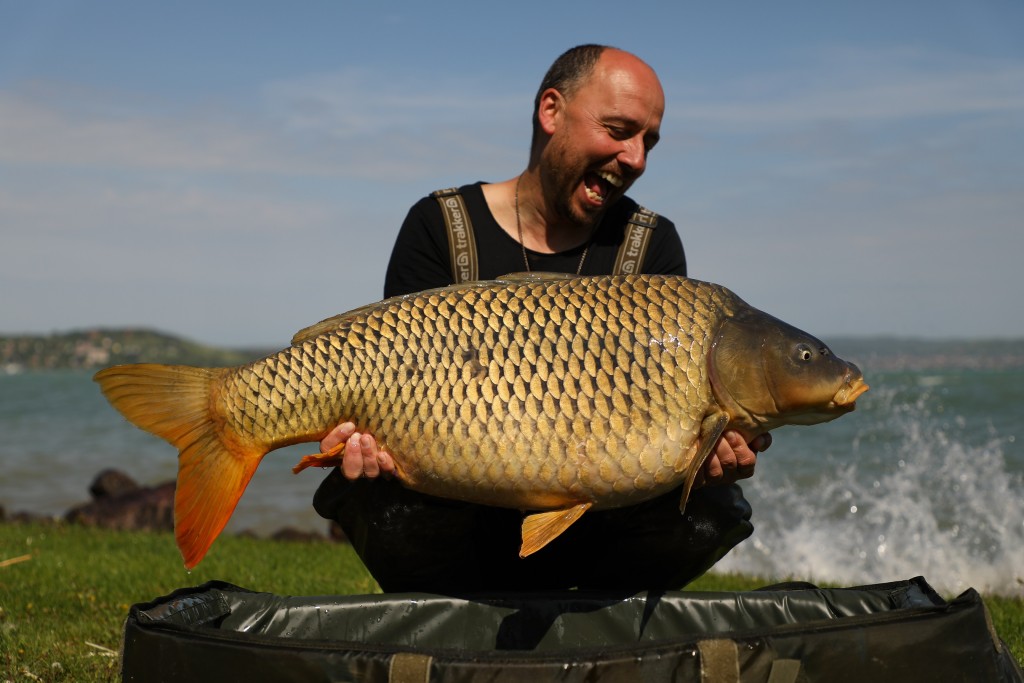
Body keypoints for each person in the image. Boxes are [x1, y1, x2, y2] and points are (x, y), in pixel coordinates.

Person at [312, 44, 770, 593]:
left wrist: (706, 455)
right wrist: (362, 441)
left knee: (716, 505)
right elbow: (388, 372)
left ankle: (595, 631)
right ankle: (453, 624)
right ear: (551, 111)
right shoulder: (438, 225)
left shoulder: (650, 244)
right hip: (456, 512)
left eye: (648, 141)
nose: (636, 158)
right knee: (366, 486)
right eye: (619, 130)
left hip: (599, 527)